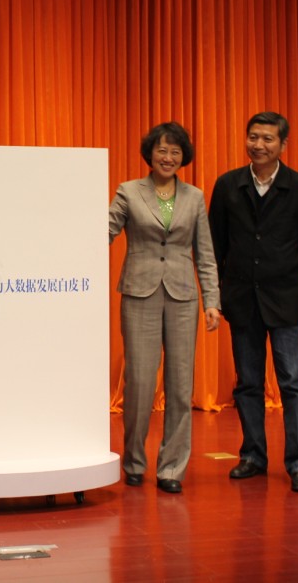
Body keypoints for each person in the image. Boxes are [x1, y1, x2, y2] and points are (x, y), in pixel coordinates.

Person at [209, 111, 298, 492]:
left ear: (283, 145)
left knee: (295, 384)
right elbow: (215, 245)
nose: (258, 145)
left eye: (267, 139)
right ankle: (253, 455)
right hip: (242, 299)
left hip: (287, 299)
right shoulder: (228, 185)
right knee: (248, 383)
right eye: (253, 137)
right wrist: (217, 293)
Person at [109, 122, 221, 494]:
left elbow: (205, 253)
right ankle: (134, 461)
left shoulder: (195, 196)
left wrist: (212, 301)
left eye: (175, 151)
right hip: (139, 293)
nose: (168, 157)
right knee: (140, 382)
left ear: (183, 157)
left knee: (180, 385)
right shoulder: (129, 191)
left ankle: (172, 467)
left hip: (184, 297)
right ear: (150, 153)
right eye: (162, 150)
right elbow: (103, 231)